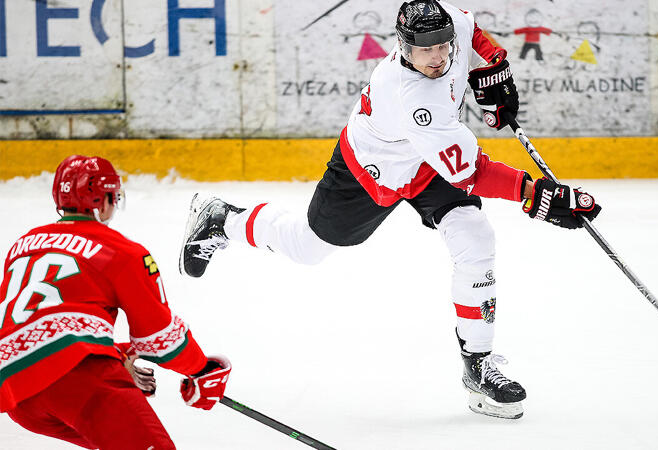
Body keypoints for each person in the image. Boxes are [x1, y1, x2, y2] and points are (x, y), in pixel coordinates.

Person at [179, 0, 599, 420]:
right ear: (403, 46)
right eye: (425, 49)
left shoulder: (450, 23)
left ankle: (478, 366)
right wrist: (540, 196)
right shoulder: (412, 98)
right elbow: (474, 173)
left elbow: (472, 34)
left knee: (475, 236)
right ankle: (223, 219)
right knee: (308, 247)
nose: (438, 57)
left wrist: (493, 68)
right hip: (371, 170)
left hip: (428, 163)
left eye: (443, 46)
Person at [0, 155, 232, 449]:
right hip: (78, 379)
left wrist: (117, 356)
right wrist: (201, 370)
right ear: (104, 199)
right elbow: (159, 337)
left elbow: (37, 323)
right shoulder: (120, 251)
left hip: (16, 396)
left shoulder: (24, 245)